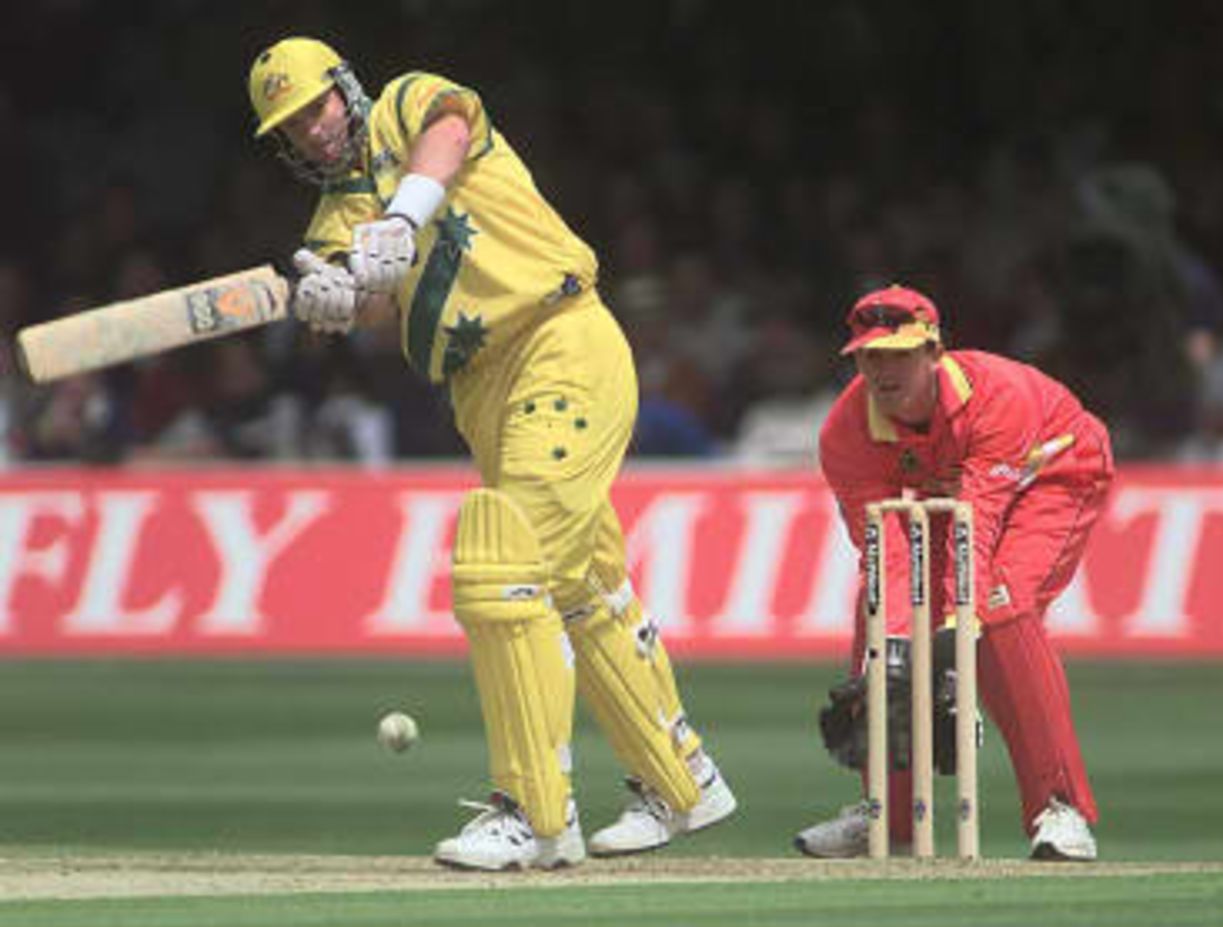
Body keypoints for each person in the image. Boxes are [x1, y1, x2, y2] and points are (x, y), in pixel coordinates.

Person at [245, 37, 736, 871]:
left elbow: (452, 127)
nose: (313, 133)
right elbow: (371, 300)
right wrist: (337, 297)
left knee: (500, 562)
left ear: (344, 88)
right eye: (291, 129)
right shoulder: (336, 218)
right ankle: (682, 782)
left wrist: (403, 216)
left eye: (315, 108)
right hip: (482, 391)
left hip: (559, 341)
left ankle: (536, 813)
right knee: (579, 582)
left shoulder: (406, 106)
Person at [795, 283, 1112, 861]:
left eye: (900, 355)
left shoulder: (998, 399)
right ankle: (886, 818)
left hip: (1055, 474)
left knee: (999, 604)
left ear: (933, 353)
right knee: (879, 619)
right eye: (871, 357)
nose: (884, 371)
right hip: (955, 492)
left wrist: (944, 651)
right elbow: (886, 550)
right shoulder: (845, 433)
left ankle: (1059, 809)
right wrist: (892, 661)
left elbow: (977, 533)